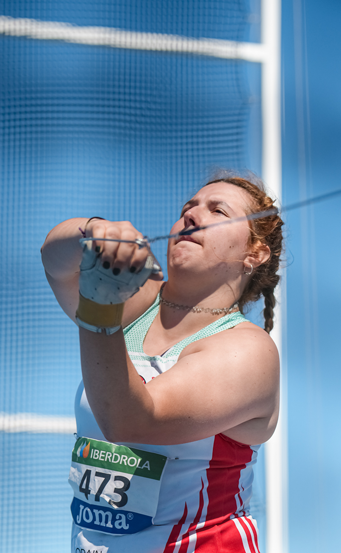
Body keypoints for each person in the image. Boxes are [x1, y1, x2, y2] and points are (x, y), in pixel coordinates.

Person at [40, 175, 283, 553]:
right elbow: (55, 261)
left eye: (217, 210)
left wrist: (99, 306)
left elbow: (129, 421)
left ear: (255, 253)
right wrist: (94, 233)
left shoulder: (248, 350)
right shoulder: (137, 302)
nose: (192, 216)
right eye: (187, 208)